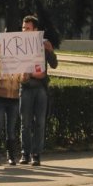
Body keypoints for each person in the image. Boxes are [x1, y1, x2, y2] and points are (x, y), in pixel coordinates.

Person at [19, 15, 58, 166]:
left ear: (35, 30)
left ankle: (36, 154)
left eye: (27, 28)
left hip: (40, 88)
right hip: (25, 87)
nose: (24, 31)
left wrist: (51, 51)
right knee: (25, 123)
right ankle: (25, 153)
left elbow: (54, 64)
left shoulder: (43, 44)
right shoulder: (18, 45)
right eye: (23, 28)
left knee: (40, 123)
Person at [0, 42, 21, 166]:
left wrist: (26, 74)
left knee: (11, 130)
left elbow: (23, 79)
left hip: (14, 98)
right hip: (0, 98)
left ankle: (11, 156)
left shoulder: (20, 64)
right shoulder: (0, 62)